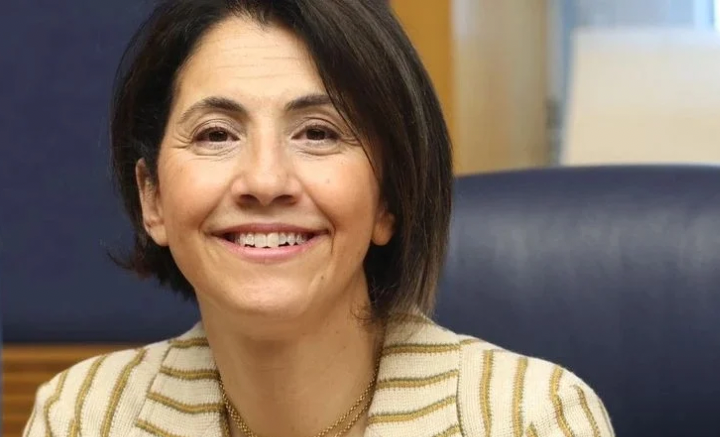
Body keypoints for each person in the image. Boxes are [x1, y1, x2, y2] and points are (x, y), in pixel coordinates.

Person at [23, 1, 614, 436]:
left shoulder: (528, 418)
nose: (265, 181)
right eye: (216, 134)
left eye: (318, 133)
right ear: (152, 198)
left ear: (389, 198)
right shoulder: (84, 417)